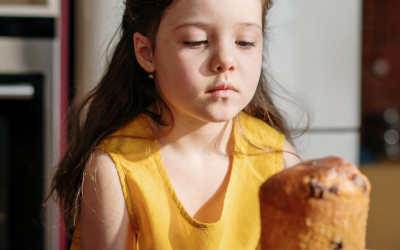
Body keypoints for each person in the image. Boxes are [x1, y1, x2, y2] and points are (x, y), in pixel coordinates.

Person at [48, 0, 301, 249]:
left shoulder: (279, 161)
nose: (226, 60)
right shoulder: (114, 170)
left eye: (244, 42)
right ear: (146, 52)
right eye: (195, 41)